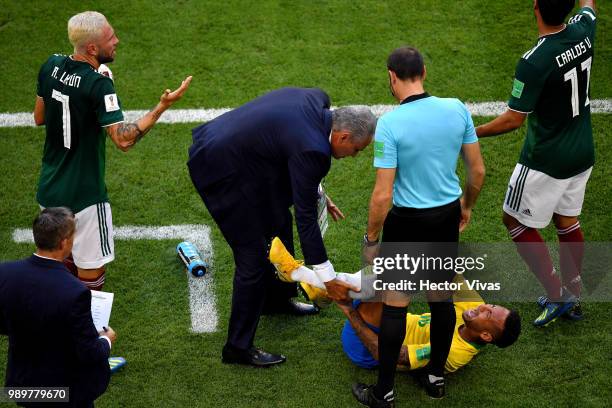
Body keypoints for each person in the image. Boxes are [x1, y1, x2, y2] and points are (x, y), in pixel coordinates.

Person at [187, 87, 376, 367]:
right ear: (343, 136)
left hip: (242, 157)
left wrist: (316, 189)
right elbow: (306, 218)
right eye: (356, 149)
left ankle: (276, 301)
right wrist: (328, 277)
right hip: (218, 168)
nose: (354, 155)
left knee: (278, 221)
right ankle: (237, 348)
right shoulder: (315, 149)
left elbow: (294, 151)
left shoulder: (318, 99)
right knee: (252, 257)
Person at [353, 46, 486, 406]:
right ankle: (436, 376)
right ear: (424, 72)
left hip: (408, 223)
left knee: (396, 305)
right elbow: (477, 171)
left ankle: (384, 391)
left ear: (392, 78)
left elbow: (382, 196)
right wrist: (467, 207)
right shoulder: (457, 108)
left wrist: (371, 238)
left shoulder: (391, 124)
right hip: (445, 217)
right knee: (441, 299)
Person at [34, 10, 192, 291]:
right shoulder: (99, 84)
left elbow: (39, 117)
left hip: (50, 187)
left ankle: (56, 311)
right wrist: (162, 107)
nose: (116, 41)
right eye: (110, 38)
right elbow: (123, 140)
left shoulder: (50, 65)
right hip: (85, 196)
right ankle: (87, 329)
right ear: (93, 48)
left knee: (60, 257)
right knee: (91, 276)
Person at [475, 0, 597, 326]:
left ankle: (557, 294)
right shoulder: (584, 29)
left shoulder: (534, 61)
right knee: (567, 221)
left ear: (535, 7)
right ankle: (573, 295)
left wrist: (472, 134)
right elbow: (589, 6)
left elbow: (513, 119)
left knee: (513, 220)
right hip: (582, 151)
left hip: (546, 159)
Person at [268, 236, 521, 372]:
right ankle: (317, 286)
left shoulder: (453, 352)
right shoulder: (473, 309)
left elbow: (385, 353)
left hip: (366, 347)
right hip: (385, 320)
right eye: (492, 306)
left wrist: (348, 312)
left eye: (489, 313)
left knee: (390, 278)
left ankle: (299, 275)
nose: (484, 307)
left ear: (486, 335)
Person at [0, 208, 117, 407]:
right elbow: (89, 352)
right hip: (64, 392)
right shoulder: (75, 292)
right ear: (64, 242)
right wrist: (106, 340)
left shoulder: (5, 272)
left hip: (25, 386)